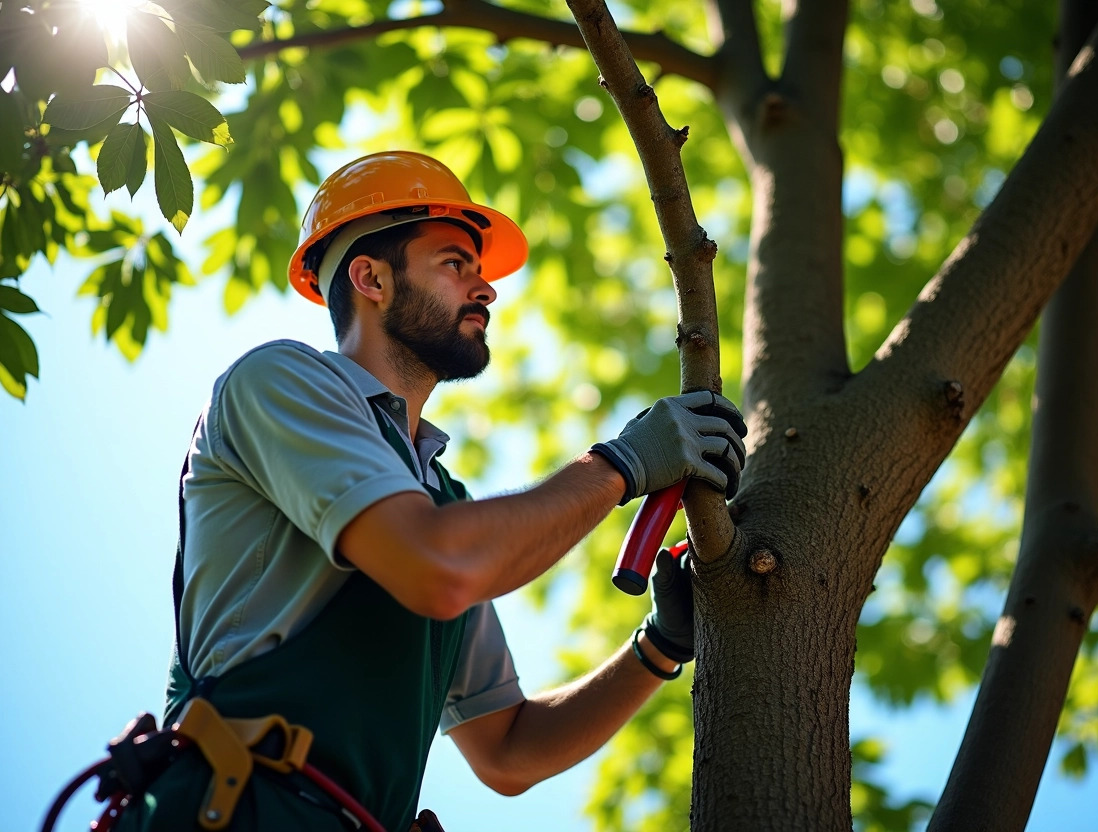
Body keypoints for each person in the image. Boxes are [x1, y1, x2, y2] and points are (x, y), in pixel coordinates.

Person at [117, 150, 747, 831]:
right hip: (231, 811)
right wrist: (622, 464)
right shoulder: (280, 383)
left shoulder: (440, 502)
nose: (486, 290)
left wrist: (658, 646)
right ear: (371, 278)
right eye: (455, 263)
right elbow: (438, 567)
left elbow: (508, 749)